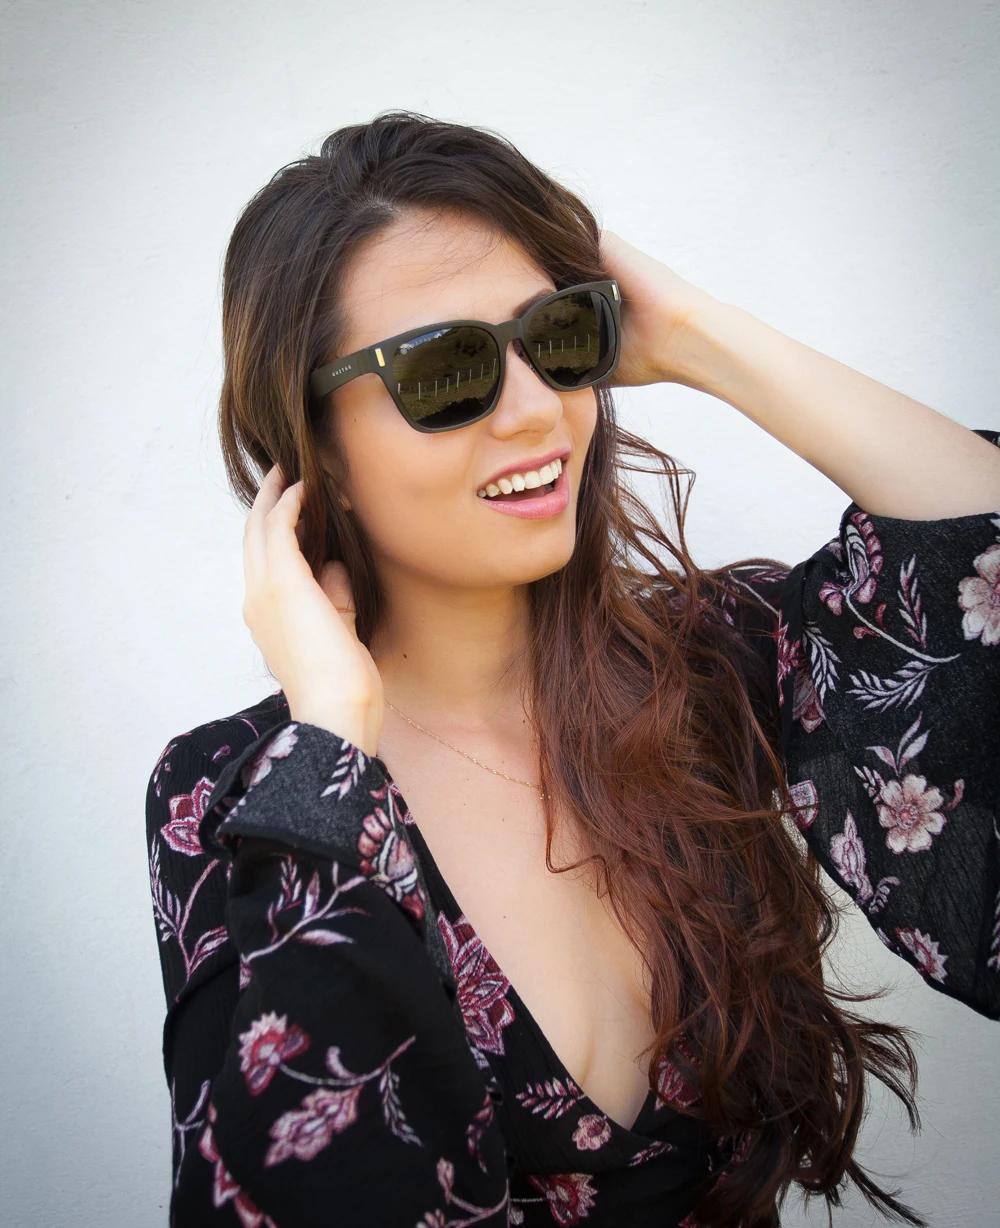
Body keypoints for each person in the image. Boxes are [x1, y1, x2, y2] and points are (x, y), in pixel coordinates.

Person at [145, 112, 1000, 1228]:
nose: (536, 409)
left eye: (556, 336)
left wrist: (696, 336)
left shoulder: (707, 667)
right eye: (445, 370)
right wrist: (333, 741)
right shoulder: (234, 794)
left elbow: (976, 564)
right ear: (322, 454)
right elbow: (286, 1181)